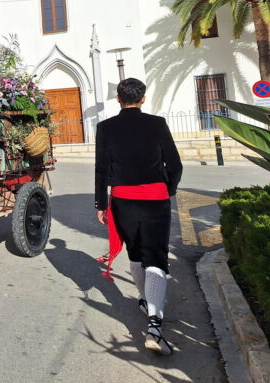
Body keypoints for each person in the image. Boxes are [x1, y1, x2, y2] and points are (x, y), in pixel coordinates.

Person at [94, 78, 183, 356]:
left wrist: (100, 203)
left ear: (118, 100)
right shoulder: (157, 124)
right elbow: (175, 164)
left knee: (135, 256)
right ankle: (155, 327)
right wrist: (167, 188)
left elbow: (100, 169)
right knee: (155, 257)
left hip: (123, 200)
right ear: (143, 99)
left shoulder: (105, 128)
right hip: (155, 199)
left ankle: (146, 300)